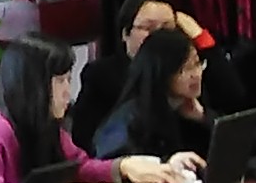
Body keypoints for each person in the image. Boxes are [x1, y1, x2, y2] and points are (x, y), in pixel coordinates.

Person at [0, 35, 187, 183]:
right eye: (60, 81)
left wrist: (124, 167)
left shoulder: (48, 125)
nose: (68, 92)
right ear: (33, 84)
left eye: (69, 80)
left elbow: (79, 166)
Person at [68, 0, 246, 154]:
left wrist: (201, 38)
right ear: (125, 33)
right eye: (148, 28)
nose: (159, 36)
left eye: (168, 27)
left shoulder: (187, 73)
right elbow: (86, 142)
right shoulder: (102, 75)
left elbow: (234, 101)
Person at [90, 28, 212, 162]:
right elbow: (114, 165)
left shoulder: (190, 109)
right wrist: (166, 163)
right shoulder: (131, 119)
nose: (196, 74)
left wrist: (204, 118)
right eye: (185, 69)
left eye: (197, 63)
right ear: (162, 72)